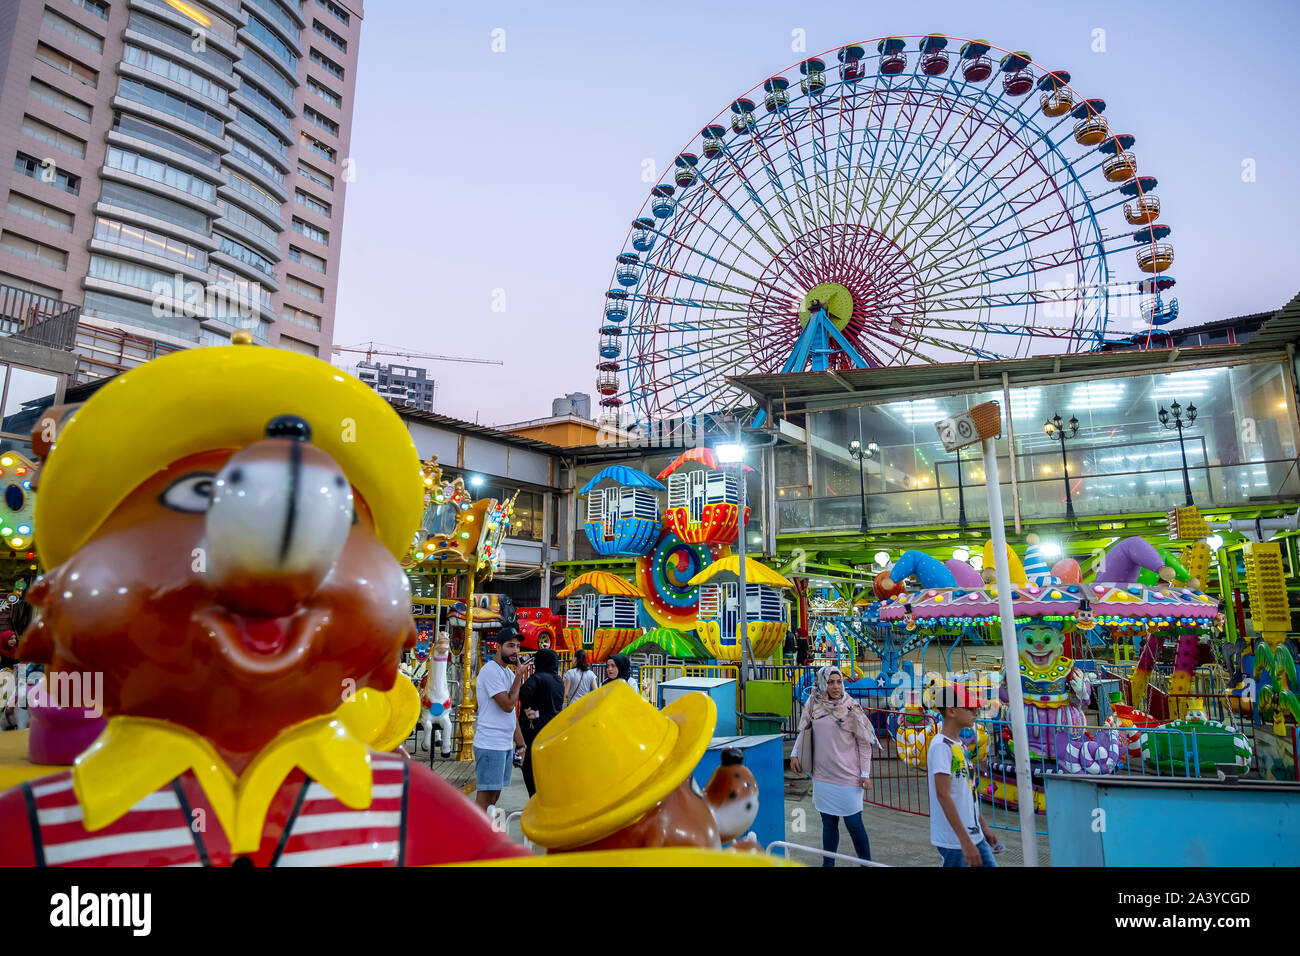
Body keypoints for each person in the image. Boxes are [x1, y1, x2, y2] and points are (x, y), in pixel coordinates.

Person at [790, 665, 878, 866]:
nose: (836, 686)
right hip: (823, 776)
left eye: (839, 682)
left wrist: (865, 773)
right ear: (823, 683)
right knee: (828, 824)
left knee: (854, 824)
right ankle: (828, 864)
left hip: (848, 777)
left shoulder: (851, 708)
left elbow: (864, 743)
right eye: (831, 682)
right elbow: (805, 729)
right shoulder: (814, 703)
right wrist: (795, 753)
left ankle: (867, 863)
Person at [927, 684, 1001, 867]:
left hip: (974, 835)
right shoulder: (941, 747)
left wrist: (983, 827)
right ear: (951, 711)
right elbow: (943, 795)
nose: (975, 712)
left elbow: (969, 791)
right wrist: (964, 841)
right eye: (969, 708)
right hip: (955, 841)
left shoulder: (960, 745)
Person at [474, 626, 528, 811]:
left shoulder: (506, 672)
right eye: (510, 646)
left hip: (504, 744)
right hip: (490, 743)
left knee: (495, 795)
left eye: (518, 647)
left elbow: (512, 715)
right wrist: (518, 678)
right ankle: (475, 836)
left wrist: (520, 744)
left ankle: (481, 834)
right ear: (498, 647)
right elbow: (507, 705)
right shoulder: (490, 671)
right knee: (486, 796)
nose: (515, 651)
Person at [518, 648, 564, 796]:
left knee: (531, 765)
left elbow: (524, 692)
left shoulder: (537, 677)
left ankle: (534, 796)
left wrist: (527, 708)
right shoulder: (559, 680)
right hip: (553, 726)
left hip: (534, 727)